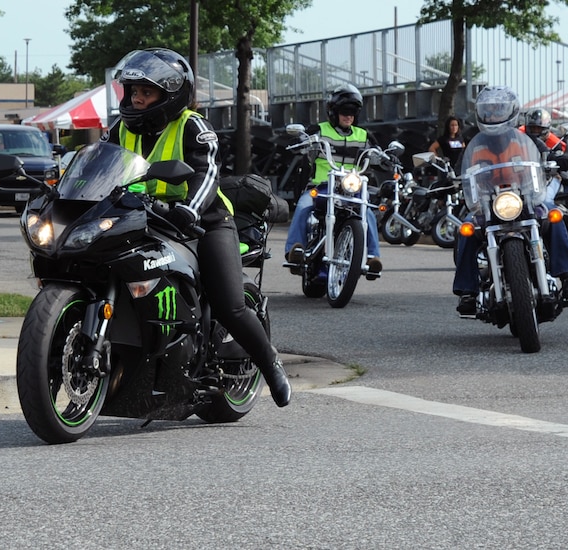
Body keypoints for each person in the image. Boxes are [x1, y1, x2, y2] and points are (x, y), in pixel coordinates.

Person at [102, 48, 291, 407]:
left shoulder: (192, 126)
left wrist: (189, 209)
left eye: (147, 92)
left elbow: (207, 174)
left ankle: (270, 364)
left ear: (170, 96)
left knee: (228, 305)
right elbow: (99, 169)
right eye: (134, 91)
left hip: (202, 221)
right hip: (143, 219)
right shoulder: (119, 129)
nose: (138, 98)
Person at [453, 86, 568, 316]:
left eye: (498, 110)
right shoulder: (475, 144)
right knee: (466, 228)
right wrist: (450, 179)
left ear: (511, 112)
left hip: (526, 198)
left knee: (555, 215)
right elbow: (459, 170)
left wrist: (560, 161)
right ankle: (468, 291)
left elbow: (547, 155)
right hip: (488, 202)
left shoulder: (526, 140)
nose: (494, 115)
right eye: (489, 111)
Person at [284, 84, 382, 279]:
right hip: (321, 186)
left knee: (368, 213)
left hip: (350, 189)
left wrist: (387, 157)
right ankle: (295, 250)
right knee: (303, 206)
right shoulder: (319, 130)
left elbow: (378, 152)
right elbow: (300, 143)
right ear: (334, 112)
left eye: (352, 112)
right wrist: (301, 143)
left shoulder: (363, 135)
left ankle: (372, 257)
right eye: (345, 112)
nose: (348, 116)